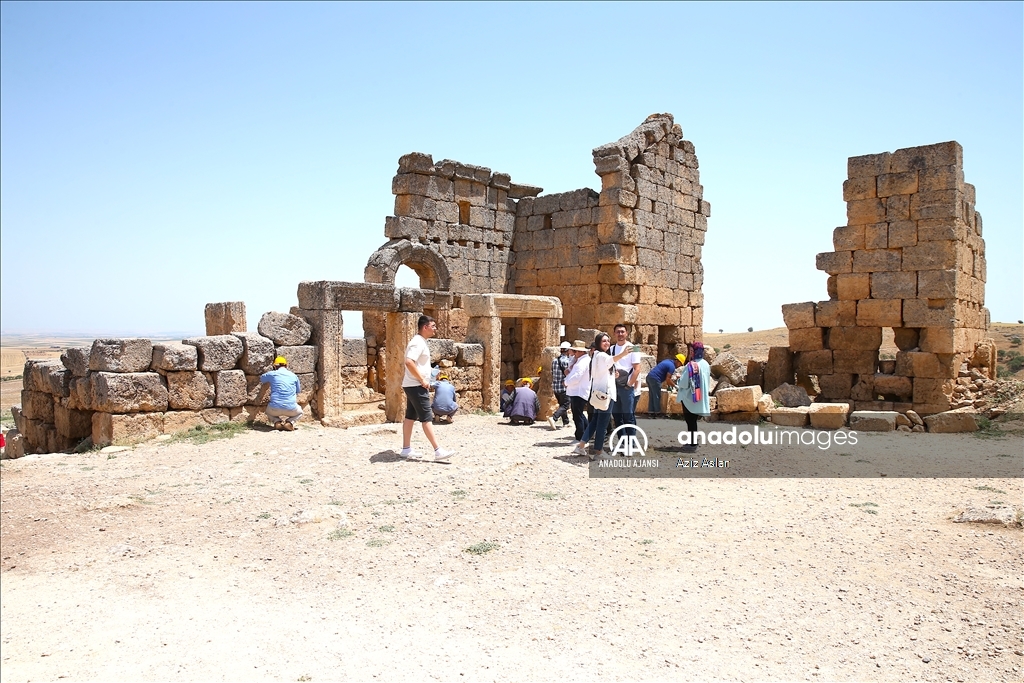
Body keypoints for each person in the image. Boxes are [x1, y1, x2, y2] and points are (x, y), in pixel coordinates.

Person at [571, 333, 638, 460]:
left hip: (599, 392)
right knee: (602, 423)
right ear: (598, 343)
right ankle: (598, 452)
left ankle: (581, 445)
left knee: (595, 421)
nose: (607, 343)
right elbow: (611, 360)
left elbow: (603, 371)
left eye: (608, 341)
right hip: (605, 394)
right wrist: (623, 354)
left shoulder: (596, 355)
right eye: (604, 341)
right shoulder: (602, 355)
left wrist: (614, 375)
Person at [401, 315, 456, 462]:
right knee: (426, 417)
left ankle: (406, 449)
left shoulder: (420, 342)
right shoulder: (418, 343)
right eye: (433, 326)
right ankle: (438, 451)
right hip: (416, 385)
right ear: (425, 327)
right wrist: (422, 380)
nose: (435, 329)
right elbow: (409, 362)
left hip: (411, 384)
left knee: (410, 416)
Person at [676, 342, 711, 452]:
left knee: (690, 420)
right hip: (700, 395)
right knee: (694, 420)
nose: (690, 353)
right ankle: (693, 441)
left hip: (690, 397)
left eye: (692, 351)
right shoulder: (705, 364)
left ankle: (692, 444)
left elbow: (684, 383)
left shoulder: (691, 365)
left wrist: (678, 379)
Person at [610, 324, 642, 436]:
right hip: (614, 386)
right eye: (618, 332)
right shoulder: (611, 348)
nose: (620, 334)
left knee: (628, 416)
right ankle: (622, 443)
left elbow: (637, 369)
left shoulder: (634, 348)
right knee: (617, 416)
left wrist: (629, 384)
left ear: (627, 333)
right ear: (614, 334)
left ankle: (631, 444)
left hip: (626, 387)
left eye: (622, 332)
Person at [261, 356, 303, 431]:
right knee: (300, 413)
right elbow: (298, 391)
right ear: (286, 365)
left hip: (275, 408)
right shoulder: (294, 376)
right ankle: (290, 423)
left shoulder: (272, 374)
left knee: (268, 411)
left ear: (275, 366)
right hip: (291, 408)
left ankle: (277, 422)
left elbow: (262, 379)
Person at [563, 339, 592, 442]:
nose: (573, 353)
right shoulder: (580, 360)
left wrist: (566, 382)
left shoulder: (582, 362)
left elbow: (576, 377)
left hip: (578, 391)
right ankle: (586, 433)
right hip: (578, 391)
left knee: (577, 415)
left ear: (580, 352)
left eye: (575, 351)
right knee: (578, 414)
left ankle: (581, 435)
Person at [646, 353, 685, 417]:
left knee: (652, 395)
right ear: (677, 361)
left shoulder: (668, 361)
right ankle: (657, 413)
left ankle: (651, 412)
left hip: (649, 377)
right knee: (656, 396)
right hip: (655, 379)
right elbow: (668, 379)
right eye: (680, 364)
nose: (679, 366)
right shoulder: (672, 366)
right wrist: (675, 386)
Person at [546, 341, 572, 430]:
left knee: (562, 404)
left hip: (555, 387)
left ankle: (566, 422)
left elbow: (552, 373)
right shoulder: (567, 361)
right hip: (564, 387)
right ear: (568, 350)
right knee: (566, 405)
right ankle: (554, 418)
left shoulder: (554, 361)